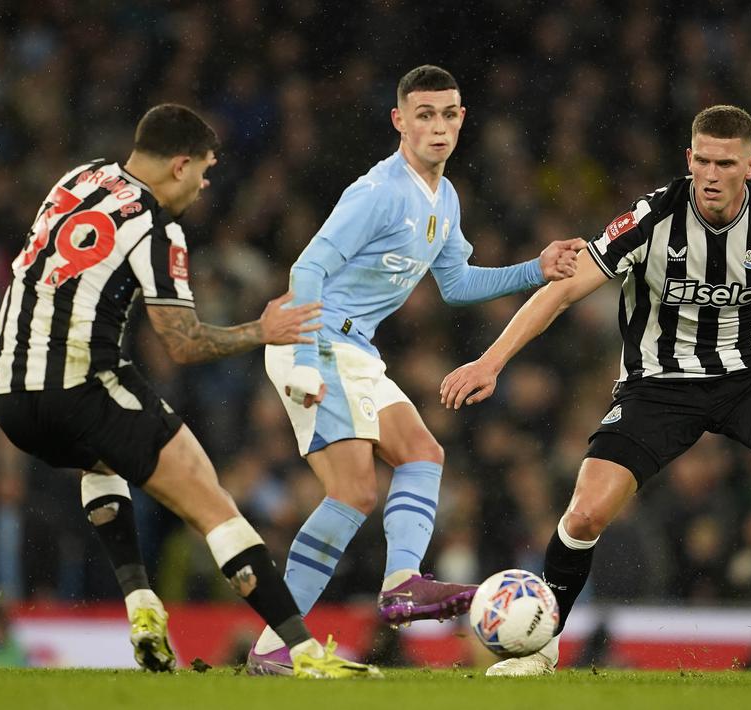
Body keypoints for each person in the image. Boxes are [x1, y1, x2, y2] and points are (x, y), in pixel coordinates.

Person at [441, 105, 751, 683]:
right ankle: (542, 649)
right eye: (701, 160)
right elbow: (562, 289)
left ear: (750, 167)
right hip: (658, 385)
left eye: (724, 163)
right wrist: (492, 360)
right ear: (688, 159)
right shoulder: (650, 218)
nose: (710, 173)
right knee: (583, 515)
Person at [0, 103, 377, 678]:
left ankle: (142, 604)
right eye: (204, 170)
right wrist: (261, 331)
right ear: (179, 164)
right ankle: (303, 651)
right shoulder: (156, 225)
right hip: (79, 384)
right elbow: (183, 343)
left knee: (100, 460)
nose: (205, 183)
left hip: (9, 396)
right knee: (211, 502)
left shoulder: (79, 178)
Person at [247, 65, 586, 675]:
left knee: (424, 454)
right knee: (353, 490)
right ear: (399, 121)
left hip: (355, 351)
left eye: (448, 114)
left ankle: (399, 583)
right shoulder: (378, 191)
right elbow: (306, 270)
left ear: (461, 120)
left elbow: (456, 285)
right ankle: (275, 647)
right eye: (423, 115)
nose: (438, 126)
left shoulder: (445, 198)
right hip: (318, 340)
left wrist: (536, 268)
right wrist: (301, 364)